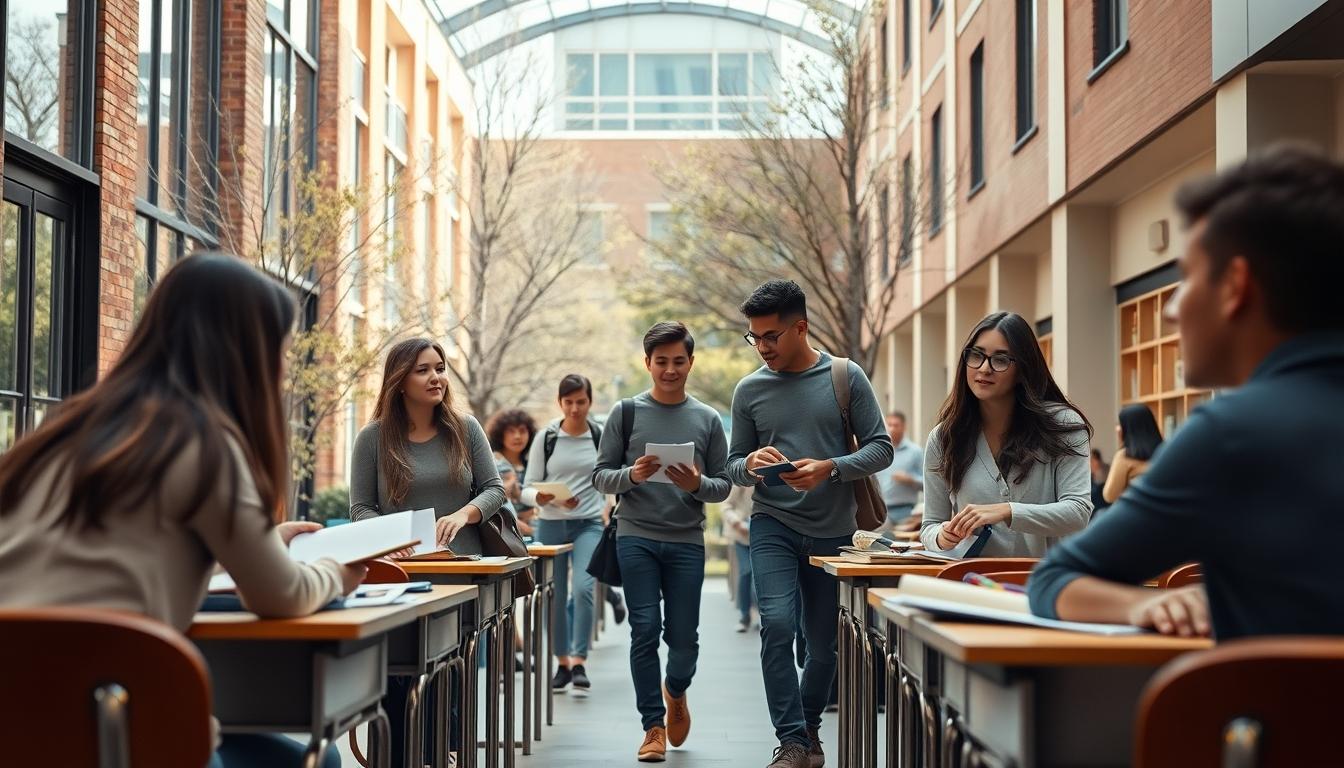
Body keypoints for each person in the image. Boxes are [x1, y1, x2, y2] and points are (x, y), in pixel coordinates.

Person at [0, 254, 361, 768]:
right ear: (245, 353)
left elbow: (122, 554)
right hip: (125, 738)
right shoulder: (206, 443)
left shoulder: (66, 431)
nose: (282, 371)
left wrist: (254, 546)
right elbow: (283, 595)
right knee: (317, 760)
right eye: (279, 352)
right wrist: (336, 573)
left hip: (18, 735)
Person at [1028, 146, 1344, 639]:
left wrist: (1140, 605)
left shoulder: (1232, 435)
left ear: (1235, 285)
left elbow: (1054, 580)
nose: (1173, 309)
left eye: (1186, 277)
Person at [727, 280, 893, 768]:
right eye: (754, 337)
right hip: (772, 522)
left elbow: (880, 447)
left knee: (822, 646)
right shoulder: (749, 389)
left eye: (772, 336)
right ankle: (793, 741)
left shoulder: (845, 376)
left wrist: (830, 467)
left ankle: (810, 729)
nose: (763, 347)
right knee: (776, 624)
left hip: (833, 530)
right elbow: (733, 464)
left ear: (801, 327)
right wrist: (752, 462)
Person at [350, 337, 507, 767]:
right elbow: (360, 508)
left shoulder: (466, 428)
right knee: (399, 675)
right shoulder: (373, 438)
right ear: (400, 381)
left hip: (459, 571)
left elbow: (495, 489)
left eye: (439, 367)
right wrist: (388, 538)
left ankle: (445, 753)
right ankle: (398, 757)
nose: (436, 377)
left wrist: (466, 515)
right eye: (423, 369)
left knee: (449, 673)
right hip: (399, 573)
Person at [592, 321, 732, 763]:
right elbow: (599, 475)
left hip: (687, 539)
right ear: (647, 363)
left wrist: (695, 484)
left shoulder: (707, 419)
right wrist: (631, 476)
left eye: (678, 361)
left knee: (684, 639)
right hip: (636, 535)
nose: (669, 370)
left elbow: (724, 485)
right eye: (661, 362)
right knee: (645, 629)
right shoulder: (625, 412)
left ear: (691, 362)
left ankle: (675, 690)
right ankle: (652, 725)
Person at [920, 312, 1093, 558]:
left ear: (1023, 368)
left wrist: (1008, 511)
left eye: (1000, 360)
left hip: (1047, 584)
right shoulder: (944, 438)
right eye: (976, 355)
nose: (984, 368)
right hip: (975, 587)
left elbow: (1078, 513)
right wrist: (942, 535)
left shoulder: (1063, 426)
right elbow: (930, 526)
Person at [520, 374, 607, 697]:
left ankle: (580, 660)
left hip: (588, 523)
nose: (574, 408)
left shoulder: (599, 435)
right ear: (560, 403)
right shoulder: (547, 437)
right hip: (552, 524)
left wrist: (608, 505)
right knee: (553, 595)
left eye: (580, 402)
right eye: (568, 402)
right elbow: (528, 487)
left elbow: (608, 477)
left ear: (589, 401)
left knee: (584, 588)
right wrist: (543, 498)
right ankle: (562, 664)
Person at [486, 408, 539, 537]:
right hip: (508, 533)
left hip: (536, 528)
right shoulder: (493, 463)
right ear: (500, 434)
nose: (517, 436)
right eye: (511, 431)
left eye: (522, 431)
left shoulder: (532, 463)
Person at [1101, 404, 1164, 504]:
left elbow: (1109, 496)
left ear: (1126, 428)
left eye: (1119, 424)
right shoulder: (1166, 450)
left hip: (1138, 513)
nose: (1117, 428)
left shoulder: (1125, 457)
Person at [877, 410, 923, 532]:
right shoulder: (879, 452)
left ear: (904, 427)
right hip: (881, 513)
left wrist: (910, 479)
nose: (891, 429)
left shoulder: (915, 452)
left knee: (905, 547)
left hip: (905, 512)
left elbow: (929, 484)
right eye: (889, 425)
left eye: (895, 425)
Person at [720, 484, 756, 632]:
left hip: (761, 535)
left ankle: (761, 614)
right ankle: (744, 615)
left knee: (757, 577)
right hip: (741, 535)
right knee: (746, 572)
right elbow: (726, 506)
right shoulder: (740, 480)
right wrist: (737, 522)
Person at [1089, 449, 1112, 516]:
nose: (1090, 463)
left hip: (1105, 508)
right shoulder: (1090, 476)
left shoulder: (1106, 472)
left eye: (1092, 460)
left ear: (1098, 460)